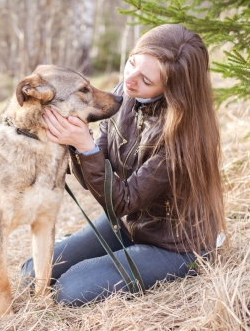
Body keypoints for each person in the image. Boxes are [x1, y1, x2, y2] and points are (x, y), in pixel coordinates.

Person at [20, 24, 227, 306]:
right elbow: (99, 160)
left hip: (174, 244)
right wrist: (71, 139)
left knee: (70, 290)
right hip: (128, 223)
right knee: (32, 274)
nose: (130, 80)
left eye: (146, 79)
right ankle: (108, 253)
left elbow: (123, 200)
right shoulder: (126, 93)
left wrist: (83, 145)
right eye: (132, 63)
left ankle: (157, 262)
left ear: (173, 87)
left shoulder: (183, 135)